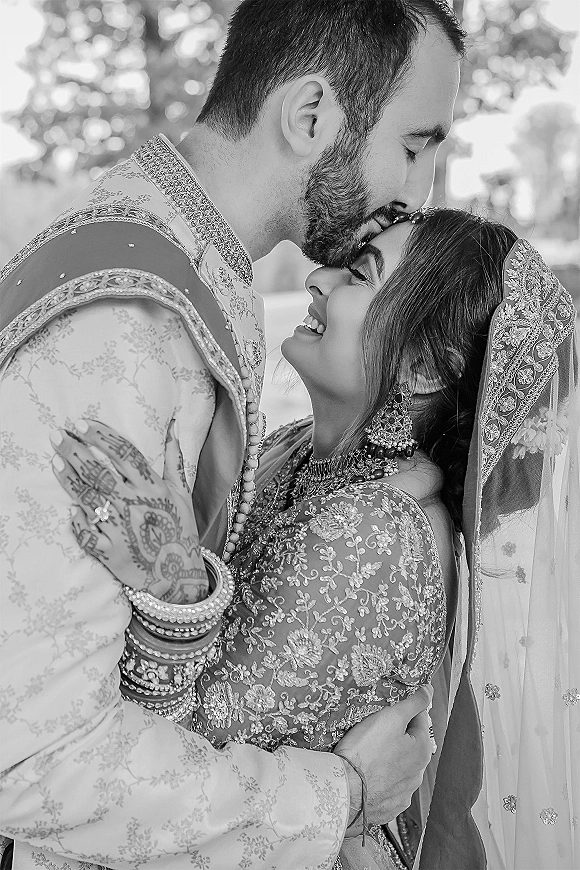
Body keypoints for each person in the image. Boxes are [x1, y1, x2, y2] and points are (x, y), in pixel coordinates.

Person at [0, 1, 465, 868]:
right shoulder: (131, 324)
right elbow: (35, 760)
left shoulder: (187, 276)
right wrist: (342, 795)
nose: (418, 193)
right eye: (413, 145)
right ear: (311, 115)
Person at [49, 208, 580, 870]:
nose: (319, 280)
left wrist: (174, 593)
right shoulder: (297, 450)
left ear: (420, 366)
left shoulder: (373, 534)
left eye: (360, 274)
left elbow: (159, 773)